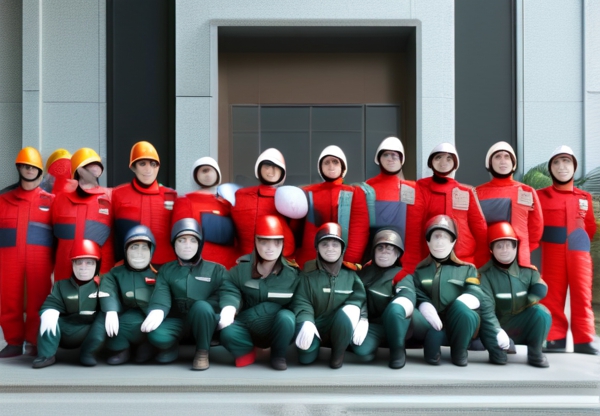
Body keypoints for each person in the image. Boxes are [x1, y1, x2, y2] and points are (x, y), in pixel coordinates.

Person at [410, 215, 507, 366]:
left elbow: (479, 296)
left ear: (453, 241)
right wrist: (424, 305)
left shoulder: (467, 269)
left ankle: (459, 351)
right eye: (436, 236)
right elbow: (417, 292)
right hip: (433, 324)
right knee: (430, 353)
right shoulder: (421, 271)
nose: (440, 241)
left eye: (445, 236)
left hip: (459, 324)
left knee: (466, 312)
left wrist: (496, 330)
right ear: (428, 241)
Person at [140, 218, 228, 370]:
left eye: (193, 240)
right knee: (157, 335)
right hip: (179, 322)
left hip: (205, 322)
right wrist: (158, 309)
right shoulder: (167, 270)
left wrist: (228, 308)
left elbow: (226, 292)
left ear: (199, 243)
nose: (187, 245)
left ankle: (202, 352)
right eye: (181, 240)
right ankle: (172, 346)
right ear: (174, 243)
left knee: (202, 307)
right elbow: (161, 293)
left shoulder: (217, 270)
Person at [537, 145, 598, 355]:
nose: (562, 166)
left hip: (579, 252)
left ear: (574, 167)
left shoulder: (584, 197)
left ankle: (584, 340)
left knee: (582, 294)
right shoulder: (540, 196)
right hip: (552, 251)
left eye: (566, 161)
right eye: (556, 162)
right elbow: (534, 224)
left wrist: (577, 243)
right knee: (552, 295)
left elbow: (590, 226)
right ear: (550, 168)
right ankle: (555, 339)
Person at [219, 215, 299, 370]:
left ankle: (278, 355)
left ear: (283, 244)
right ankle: (246, 351)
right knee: (227, 331)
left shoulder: (292, 275)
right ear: (255, 242)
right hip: (248, 324)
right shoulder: (241, 270)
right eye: (264, 242)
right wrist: (229, 306)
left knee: (287, 317)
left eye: (276, 242)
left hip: (279, 328)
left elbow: (300, 302)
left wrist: (307, 323)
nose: (270, 248)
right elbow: (230, 287)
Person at [0, 147, 55, 358]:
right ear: (19, 168)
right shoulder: (4, 199)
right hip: (9, 258)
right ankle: (13, 342)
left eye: (33, 167)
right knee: (9, 299)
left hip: (39, 259)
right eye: (25, 166)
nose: (29, 170)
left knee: (38, 300)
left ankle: (34, 341)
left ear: (40, 170)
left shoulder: (51, 200)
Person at [290, 222, 367, 369]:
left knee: (351, 309)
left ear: (342, 248)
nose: (330, 248)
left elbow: (359, 298)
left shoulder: (350, 275)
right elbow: (301, 300)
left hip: (338, 327)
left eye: (335, 244)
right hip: (315, 324)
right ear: (317, 248)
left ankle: (338, 353)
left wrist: (363, 317)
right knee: (305, 358)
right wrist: (306, 321)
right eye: (324, 244)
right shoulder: (307, 273)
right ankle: (315, 344)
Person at [479, 222, 551, 368]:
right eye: (499, 246)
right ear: (492, 250)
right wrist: (497, 331)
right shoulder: (484, 275)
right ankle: (498, 350)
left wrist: (533, 295)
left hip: (519, 323)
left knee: (542, 313)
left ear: (515, 247)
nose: (504, 250)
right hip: (495, 325)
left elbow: (541, 286)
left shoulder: (528, 271)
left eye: (508, 245)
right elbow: (486, 310)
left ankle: (536, 352)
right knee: (499, 359)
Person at [413, 143, 489, 268]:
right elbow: (414, 227)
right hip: (430, 259)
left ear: (455, 163)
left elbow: (479, 228)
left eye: (449, 158)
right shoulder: (421, 188)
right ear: (431, 162)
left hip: (463, 259)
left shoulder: (466, 191)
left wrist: (482, 262)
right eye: (438, 157)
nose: (444, 162)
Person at [32, 239, 106, 368]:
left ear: (96, 265)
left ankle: (88, 353)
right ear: (73, 264)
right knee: (47, 317)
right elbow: (51, 302)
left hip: (88, 330)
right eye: (79, 262)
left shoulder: (103, 285)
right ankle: (46, 355)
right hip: (65, 329)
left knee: (105, 318)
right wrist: (49, 311)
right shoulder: (61, 285)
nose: (83, 267)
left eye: (89, 263)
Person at [293, 145, 369, 268]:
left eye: (335, 162)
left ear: (342, 166)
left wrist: (349, 261)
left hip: (342, 262)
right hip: (308, 262)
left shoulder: (355, 193)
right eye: (326, 162)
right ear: (320, 167)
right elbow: (296, 229)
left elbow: (359, 229)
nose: (331, 166)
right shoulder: (307, 192)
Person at [352, 228, 415, 369]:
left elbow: (407, 294)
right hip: (372, 325)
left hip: (394, 323)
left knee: (396, 310)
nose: (384, 252)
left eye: (390, 248)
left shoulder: (401, 274)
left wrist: (401, 304)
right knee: (362, 352)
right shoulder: (364, 272)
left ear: (397, 253)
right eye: (380, 248)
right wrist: (361, 318)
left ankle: (397, 349)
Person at [476, 141, 543, 266]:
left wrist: (523, 248)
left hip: (519, 260)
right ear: (489, 163)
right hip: (484, 260)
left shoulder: (527, 191)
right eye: (498, 157)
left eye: (507, 157)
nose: (503, 161)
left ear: (513, 163)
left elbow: (536, 227)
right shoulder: (477, 193)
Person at [52, 147, 115, 280]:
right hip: (64, 272)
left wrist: (105, 275)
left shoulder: (110, 197)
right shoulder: (59, 200)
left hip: (98, 272)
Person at [112, 141, 177, 268]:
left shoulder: (171, 195)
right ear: (133, 167)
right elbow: (110, 236)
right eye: (142, 164)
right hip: (128, 267)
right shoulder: (118, 194)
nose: (148, 169)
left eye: (153, 164)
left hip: (165, 268)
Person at [99, 225, 158, 365]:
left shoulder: (158, 274)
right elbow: (108, 289)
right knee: (111, 325)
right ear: (126, 250)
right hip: (125, 315)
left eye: (144, 248)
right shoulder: (116, 273)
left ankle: (148, 346)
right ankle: (121, 349)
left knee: (158, 331)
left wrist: (159, 310)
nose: (139, 253)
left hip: (149, 317)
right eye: (134, 247)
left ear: (151, 250)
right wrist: (111, 310)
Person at [363, 137, 421, 272]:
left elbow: (414, 227)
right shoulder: (368, 186)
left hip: (402, 258)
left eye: (395, 155)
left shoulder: (411, 188)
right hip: (372, 255)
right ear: (379, 158)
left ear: (401, 160)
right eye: (386, 155)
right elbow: (361, 225)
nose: (390, 159)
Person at [171, 156, 239, 269]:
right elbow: (179, 238)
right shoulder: (185, 202)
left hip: (228, 269)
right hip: (199, 269)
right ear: (195, 175)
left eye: (211, 170)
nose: (208, 175)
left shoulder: (227, 204)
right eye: (204, 171)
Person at [231, 148, 297, 259]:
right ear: (259, 168)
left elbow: (296, 230)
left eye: (276, 167)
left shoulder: (289, 197)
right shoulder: (242, 195)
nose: (271, 171)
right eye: (267, 166)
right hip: (244, 258)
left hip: (279, 257)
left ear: (282, 172)